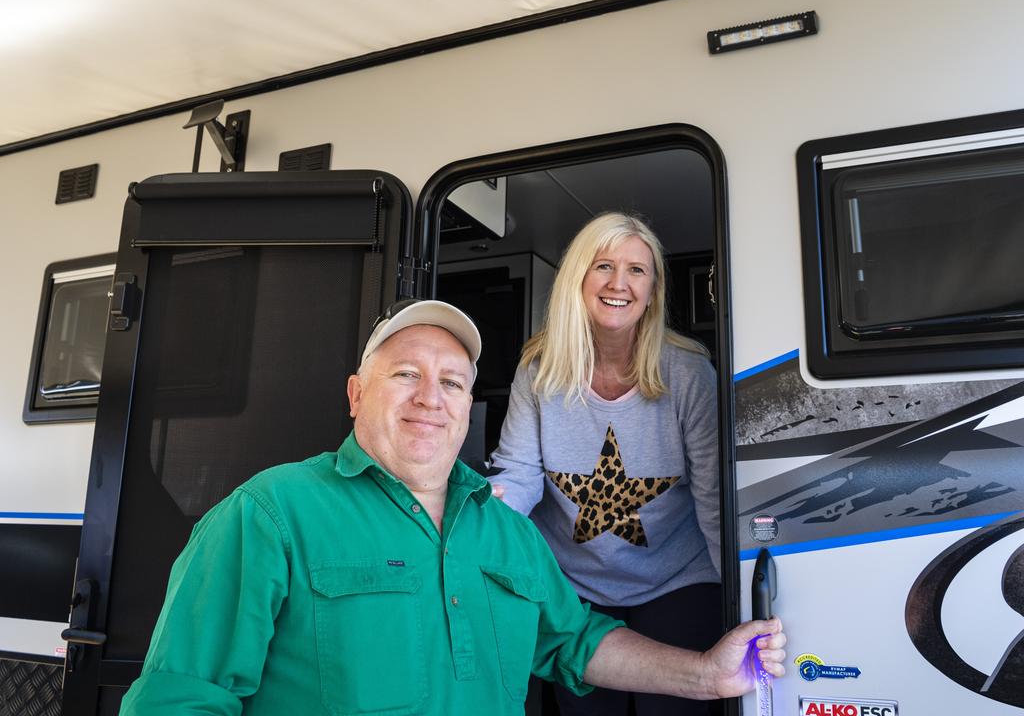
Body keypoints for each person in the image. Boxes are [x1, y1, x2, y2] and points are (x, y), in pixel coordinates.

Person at [120, 299, 784, 715]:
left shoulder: (504, 532)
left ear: (470, 407)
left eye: (452, 381)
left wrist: (704, 676)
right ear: (357, 394)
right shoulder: (270, 513)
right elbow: (180, 699)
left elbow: (575, 641)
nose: (430, 396)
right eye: (405, 374)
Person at [490, 212, 721, 715]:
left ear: (653, 289)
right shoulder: (538, 370)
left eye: (637, 270)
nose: (620, 283)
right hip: (572, 585)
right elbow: (519, 474)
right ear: (579, 277)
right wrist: (485, 519)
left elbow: (713, 496)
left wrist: (744, 592)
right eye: (604, 266)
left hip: (676, 577)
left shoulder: (689, 373)